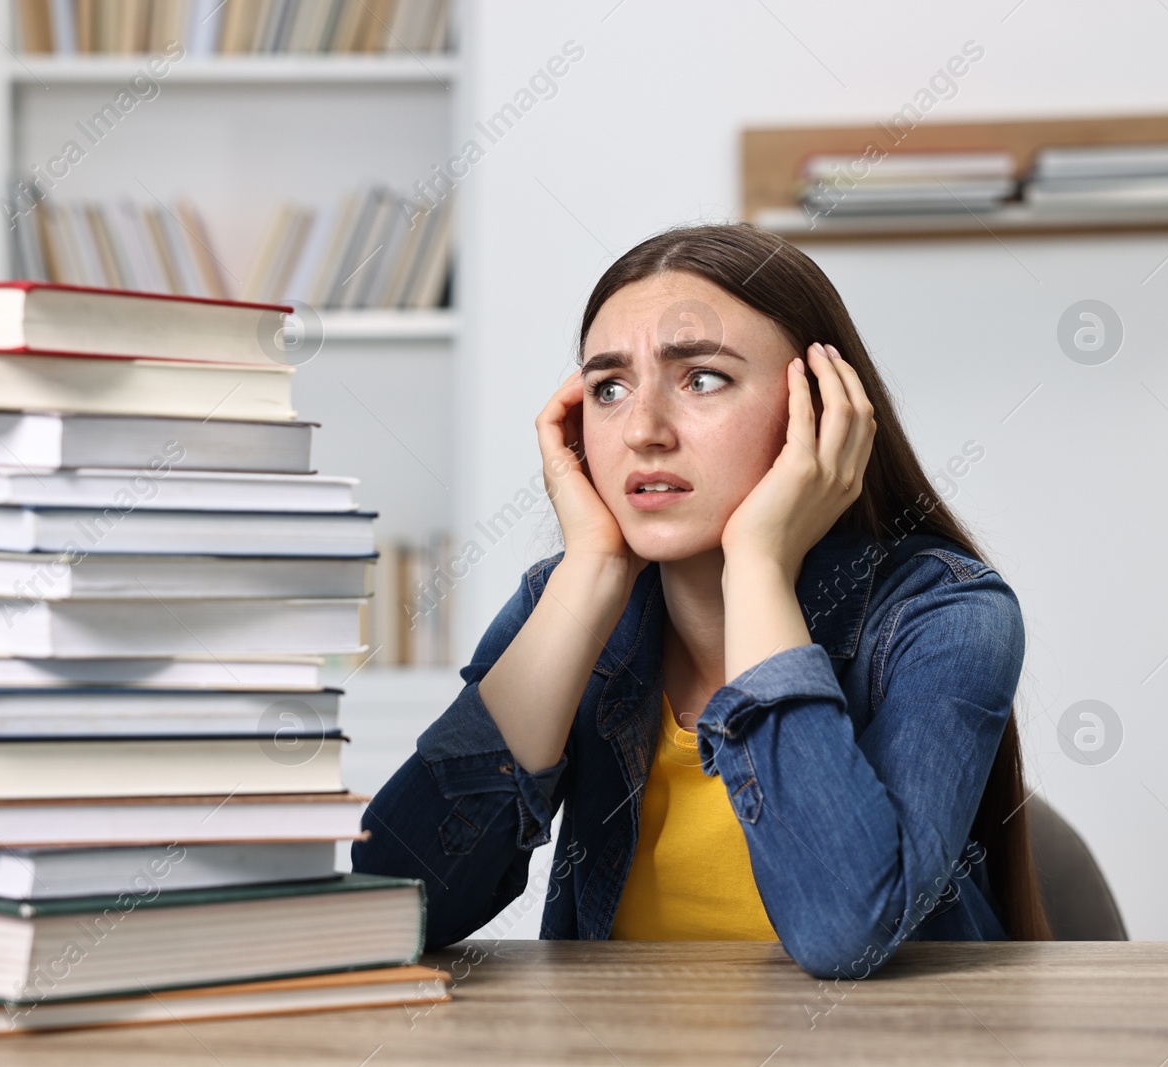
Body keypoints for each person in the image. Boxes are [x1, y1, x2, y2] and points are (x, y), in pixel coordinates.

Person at [351, 223, 1049, 978]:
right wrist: (588, 572)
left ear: (821, 407)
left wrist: (757, 567)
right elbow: (393, 903)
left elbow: (846, 930)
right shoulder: (568, 603)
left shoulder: (945, 615)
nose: (644, 430)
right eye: (609, 388)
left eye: (701, 378)